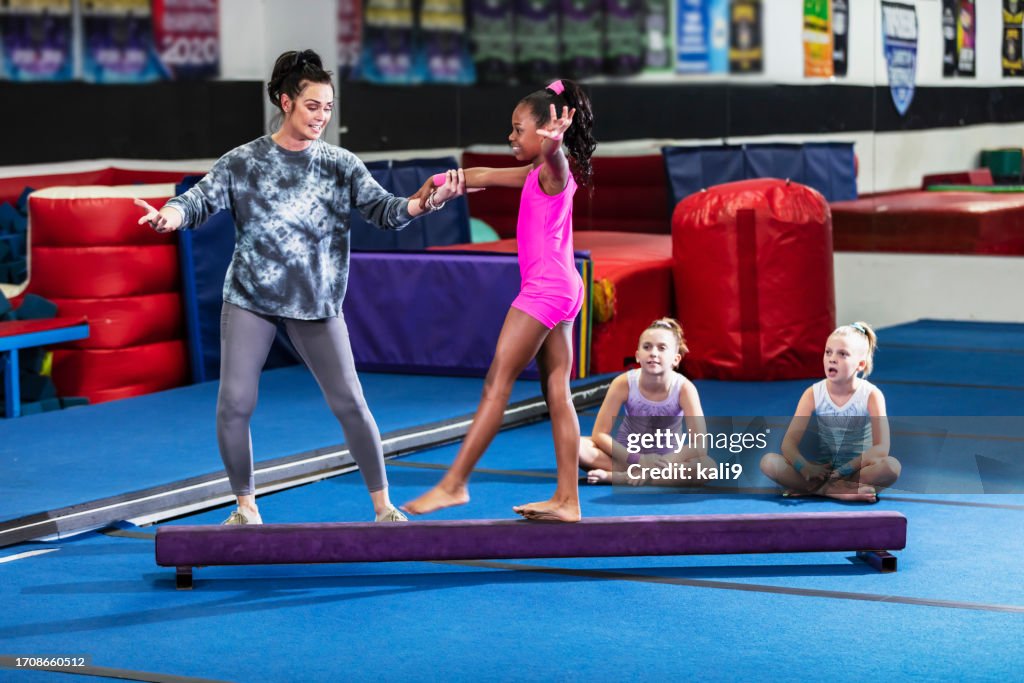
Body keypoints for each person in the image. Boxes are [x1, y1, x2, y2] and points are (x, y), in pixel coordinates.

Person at [133, 49, 465, 525]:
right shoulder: (243, 161)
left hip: (317, 301)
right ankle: (245, 506)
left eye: (328, 107)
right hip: (251, 297)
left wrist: (424, 204)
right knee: (234, 403)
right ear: (286, 102)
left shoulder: (340, 164)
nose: (322, 116)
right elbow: (198, 200)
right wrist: (171, 214)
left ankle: (383, 507)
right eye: (313, 106)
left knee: (350, 403)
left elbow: (386, 211)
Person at [402, 78, 596, 522]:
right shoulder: (531, 173)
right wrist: (439, 180)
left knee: (497, 383)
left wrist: (552, 145)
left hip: (545, 290)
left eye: (517, 128)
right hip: (564, 287)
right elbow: (483, 176)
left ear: (547, 128)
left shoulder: (551, 168)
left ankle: (454, 485)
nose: (510, 136)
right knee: (557, 392)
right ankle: (568, 499)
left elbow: (556, 161)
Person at [760, 322, 901, 503]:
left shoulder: (871, 395)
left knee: (891, 467)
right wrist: (805, 468)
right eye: (828, 352)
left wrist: (845, 470)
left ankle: (818, 489)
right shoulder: (813, 393)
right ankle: (834, 491)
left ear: (860, 364)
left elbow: (881, 448)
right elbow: (788, 444)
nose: (832, 359)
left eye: (842, 354)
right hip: (821, 472)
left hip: (856, 472)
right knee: (769, 462)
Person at [579, 318, 716, 486]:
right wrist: (639, 459)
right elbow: (599, 434)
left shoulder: (684, 389)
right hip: (628, 459)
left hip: (665, 464)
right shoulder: (623, 383)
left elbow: (700, 445)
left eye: (662, 348)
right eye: (647, 347)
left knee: (708, 467)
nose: (653, 353)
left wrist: (662, 462)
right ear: (637, 356)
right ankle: (639, 474)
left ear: (676, 359)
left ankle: (618, 477)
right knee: (575, 446)